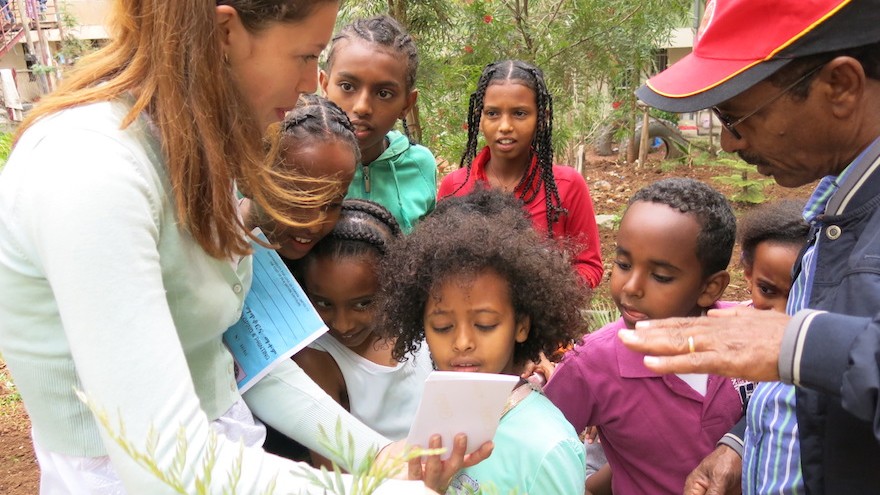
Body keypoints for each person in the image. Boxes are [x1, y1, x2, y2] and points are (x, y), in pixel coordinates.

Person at [0, 1, 477, 492]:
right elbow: (163, 460)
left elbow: (241, 369)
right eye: (305, 55)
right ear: (226, 31)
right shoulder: (89, 171)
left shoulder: (191, 153)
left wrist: (380, 456)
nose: (310, 84)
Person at [620, 0, 880, 492]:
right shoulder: (836, 211)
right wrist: (744, 441)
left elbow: (808, 353)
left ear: (840, 86)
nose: (729, 144)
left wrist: (797, 346)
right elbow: (820, 384)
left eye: (738, 116)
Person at [377, 188, 589, 495]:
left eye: (485, 324)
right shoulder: (438, 411)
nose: (462, 342)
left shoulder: (547, 448)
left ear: (521, 326)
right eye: (443, 326)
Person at [545, 178, 747, 495]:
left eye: (661, 276)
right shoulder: (590, 365)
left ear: (710, 288)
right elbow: (537, 441)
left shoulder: (749, 334)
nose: (631, 287)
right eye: (623, 264)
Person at [437, 60, 603, 288]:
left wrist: (547, 291)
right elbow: (437, 263)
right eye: (493, 113)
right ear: (480, 117)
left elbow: (589, 266)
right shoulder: (455, 186)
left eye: (519, 113)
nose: (505, 126)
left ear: (541, 118)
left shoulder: (567, 185)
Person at [291, 199, 433, 463]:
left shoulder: (418, 320)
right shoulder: (317, 358)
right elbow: (334, 470)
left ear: (392, 284)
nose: (343, 324)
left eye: (363, 303)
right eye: (324, 303)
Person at [320, 14, 437, 234]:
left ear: (407, 104)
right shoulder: (295, 158)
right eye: (347, 86)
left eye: (383, 93)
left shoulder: (420, 165)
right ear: (324, 85)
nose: (362, 107)